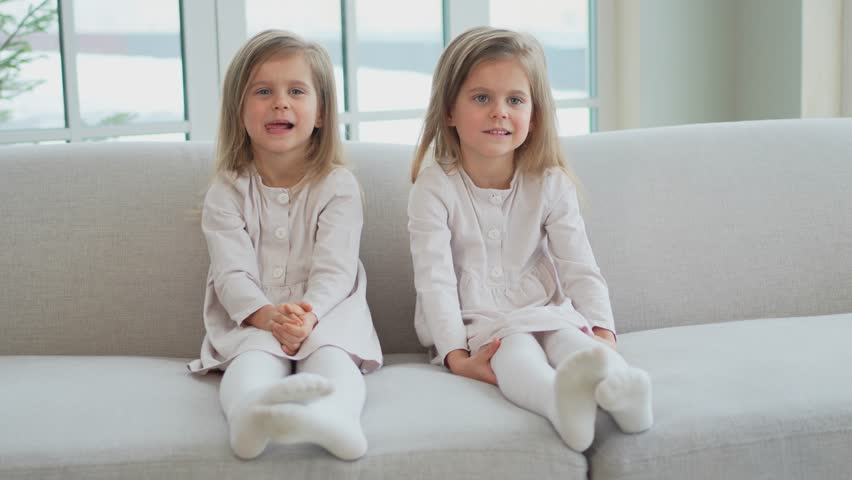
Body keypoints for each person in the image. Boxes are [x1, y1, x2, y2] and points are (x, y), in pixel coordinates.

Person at [407, 26, 652, 452]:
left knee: (573, 342)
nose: (499, 112)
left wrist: (602, 331)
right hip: (479, 322)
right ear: (449, 111)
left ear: (534, 115)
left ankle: (624, 394)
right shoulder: (434, 188)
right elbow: (435, 280)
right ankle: (559, 404)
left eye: (515, 100)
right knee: (515, 350)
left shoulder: (550, 183)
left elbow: (579, 266)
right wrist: (456, 355)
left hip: (544, 309)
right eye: (481, 98)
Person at [187, 30, 382, 461]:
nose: (280, 102)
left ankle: (339, 419)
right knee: (251, 362)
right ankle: (247, 418)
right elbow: (231, 274)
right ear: (239, 112)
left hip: (328, 312)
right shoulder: (227, 190)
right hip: (256, 317)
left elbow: (335, 270)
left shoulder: (338, 186)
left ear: (321, 114)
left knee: (333, 358)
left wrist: (306, 316)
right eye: (263, 91)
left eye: (296, 91)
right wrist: (269, 316)